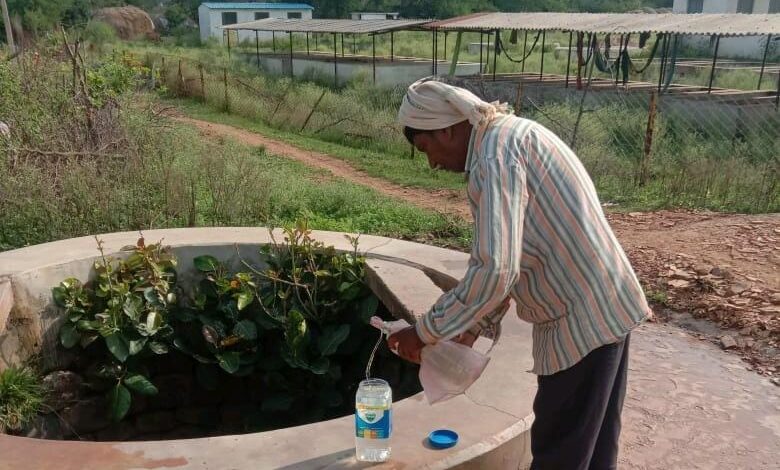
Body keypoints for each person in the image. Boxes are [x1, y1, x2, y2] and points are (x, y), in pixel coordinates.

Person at [386, 78, 651, 470]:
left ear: (447, 129)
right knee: (592, 449)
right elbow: (519, 253)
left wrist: (424, 332)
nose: (433, 164)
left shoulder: (494, 157)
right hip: (604, 306)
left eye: (427, 149)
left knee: (560, 451)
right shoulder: (509, 137)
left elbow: (496, 268)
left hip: (582, 320)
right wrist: (474, 326)